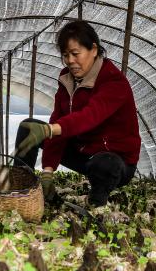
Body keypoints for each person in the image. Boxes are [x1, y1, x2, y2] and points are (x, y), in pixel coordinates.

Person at [12, 20, 140, 208]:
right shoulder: (67, 79)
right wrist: (47, 172)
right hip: (83, 152)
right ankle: (21, 191)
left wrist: (49, 130)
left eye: (75, 54)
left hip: (116, 162)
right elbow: (59, 121)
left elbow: (89, 117)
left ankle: (96, 206)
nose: (70, 61)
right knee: (28, 127)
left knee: (106, 163)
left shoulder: (113, 81)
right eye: (65, 55)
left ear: (94, 50)